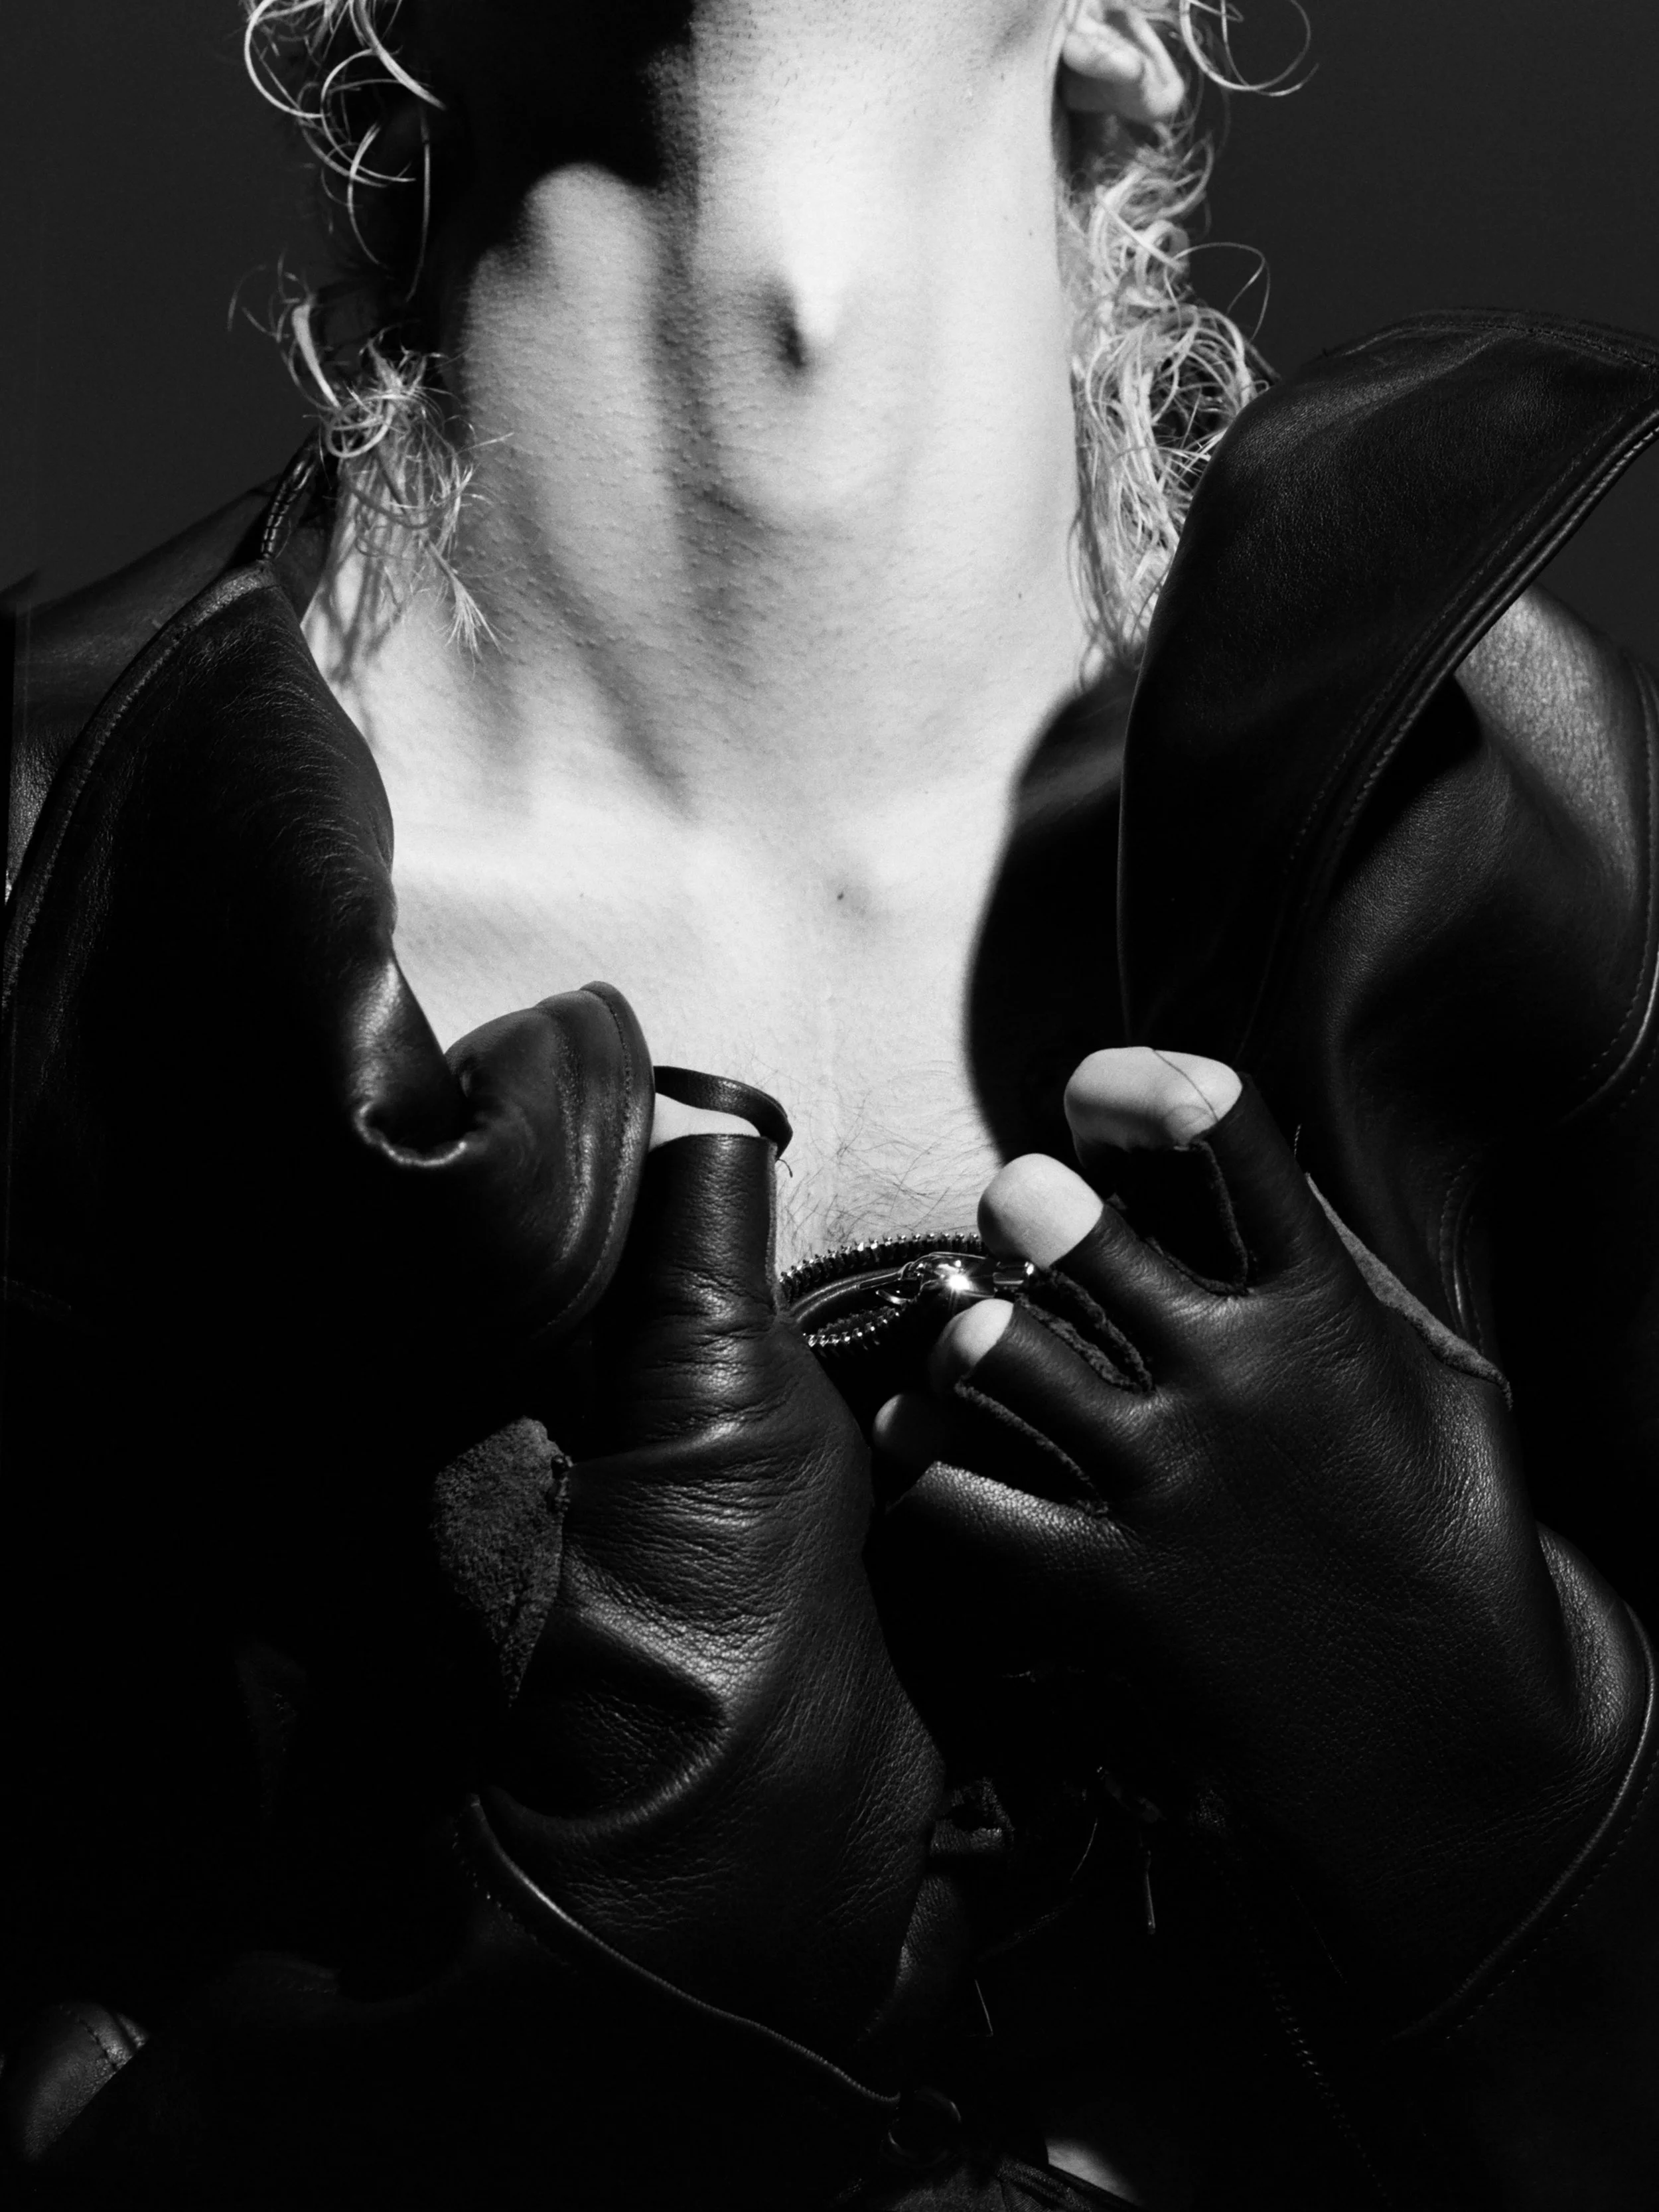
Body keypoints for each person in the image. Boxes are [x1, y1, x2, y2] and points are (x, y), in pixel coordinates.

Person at [5, 1, 1659, 2203]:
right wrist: (430, 2104)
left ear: (1128, 37)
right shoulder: (47, 903)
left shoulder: (1559, 851)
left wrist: (1514, 1837)